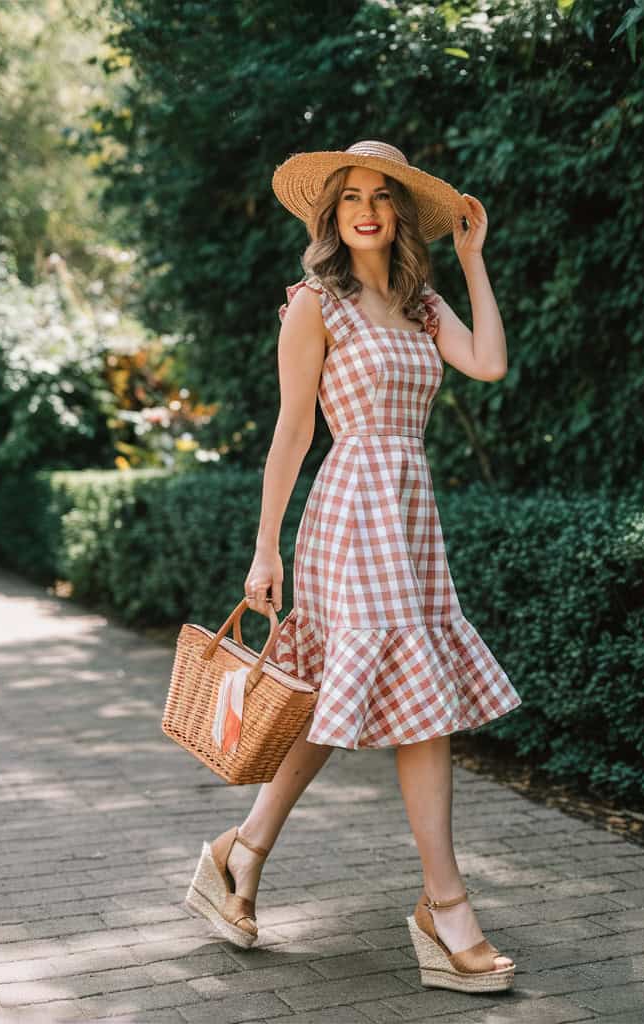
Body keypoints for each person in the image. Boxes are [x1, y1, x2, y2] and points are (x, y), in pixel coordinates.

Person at [186, 141, 522, 993]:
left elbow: (488, 363)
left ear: (400, 214)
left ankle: (240, 853)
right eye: (350, 198)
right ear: (331, 215)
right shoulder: (315, 303)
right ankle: (445, 908)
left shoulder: (421, 302)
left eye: (380, 196)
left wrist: (472, 260)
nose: (366, 210)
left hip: (408, 517)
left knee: (338, 698)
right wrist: (266, 547)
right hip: (350, 512)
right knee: (422, 709)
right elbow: (293, 430)